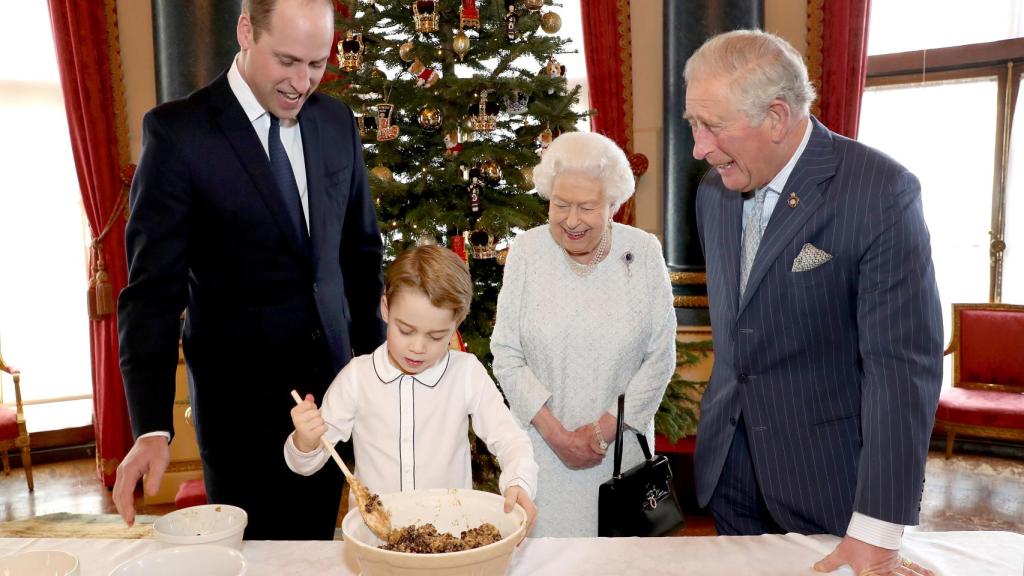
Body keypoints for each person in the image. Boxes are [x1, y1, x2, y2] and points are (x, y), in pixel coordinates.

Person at [113, 0, 385, 540]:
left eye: (316, 64)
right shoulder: (179, 135)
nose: (302, 82)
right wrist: (151, 427)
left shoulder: (335, 123)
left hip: (335, 400)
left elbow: (360, 257)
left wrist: (374, 376)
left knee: (318, 554)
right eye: (287, 61)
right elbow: (152, 294)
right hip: (241, 417)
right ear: (245, 31)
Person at [684, 30, 942, 576]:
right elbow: (743, 330)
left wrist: (876, 528)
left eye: (711, 126)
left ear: (777, 117)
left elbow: (901, 371)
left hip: (829, 485)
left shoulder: (881, 192)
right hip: (729, 469)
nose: (698, 148)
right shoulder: (713, 192)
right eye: (692, 125)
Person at [490, 131, 677, 537]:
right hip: (540, 454)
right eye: (561, 205)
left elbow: (660, 356)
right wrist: (557, 435)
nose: (571, 220)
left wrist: (599, 432)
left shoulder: (643, 252)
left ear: (613, 205)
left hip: (619, 459)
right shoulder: (525, 251)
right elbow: (505, 353)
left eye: (587, 207)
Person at [286, 245, 538, 533]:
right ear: (385, 309)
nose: (417, 348)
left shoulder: (466, 373)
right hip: (375, 539)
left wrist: (519, 482)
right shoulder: (357, 377)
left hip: (448, 537)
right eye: (405, 330)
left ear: (456, 323)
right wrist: (305, 441)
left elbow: (512, 440)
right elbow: (306, 463)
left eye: (435, 336)